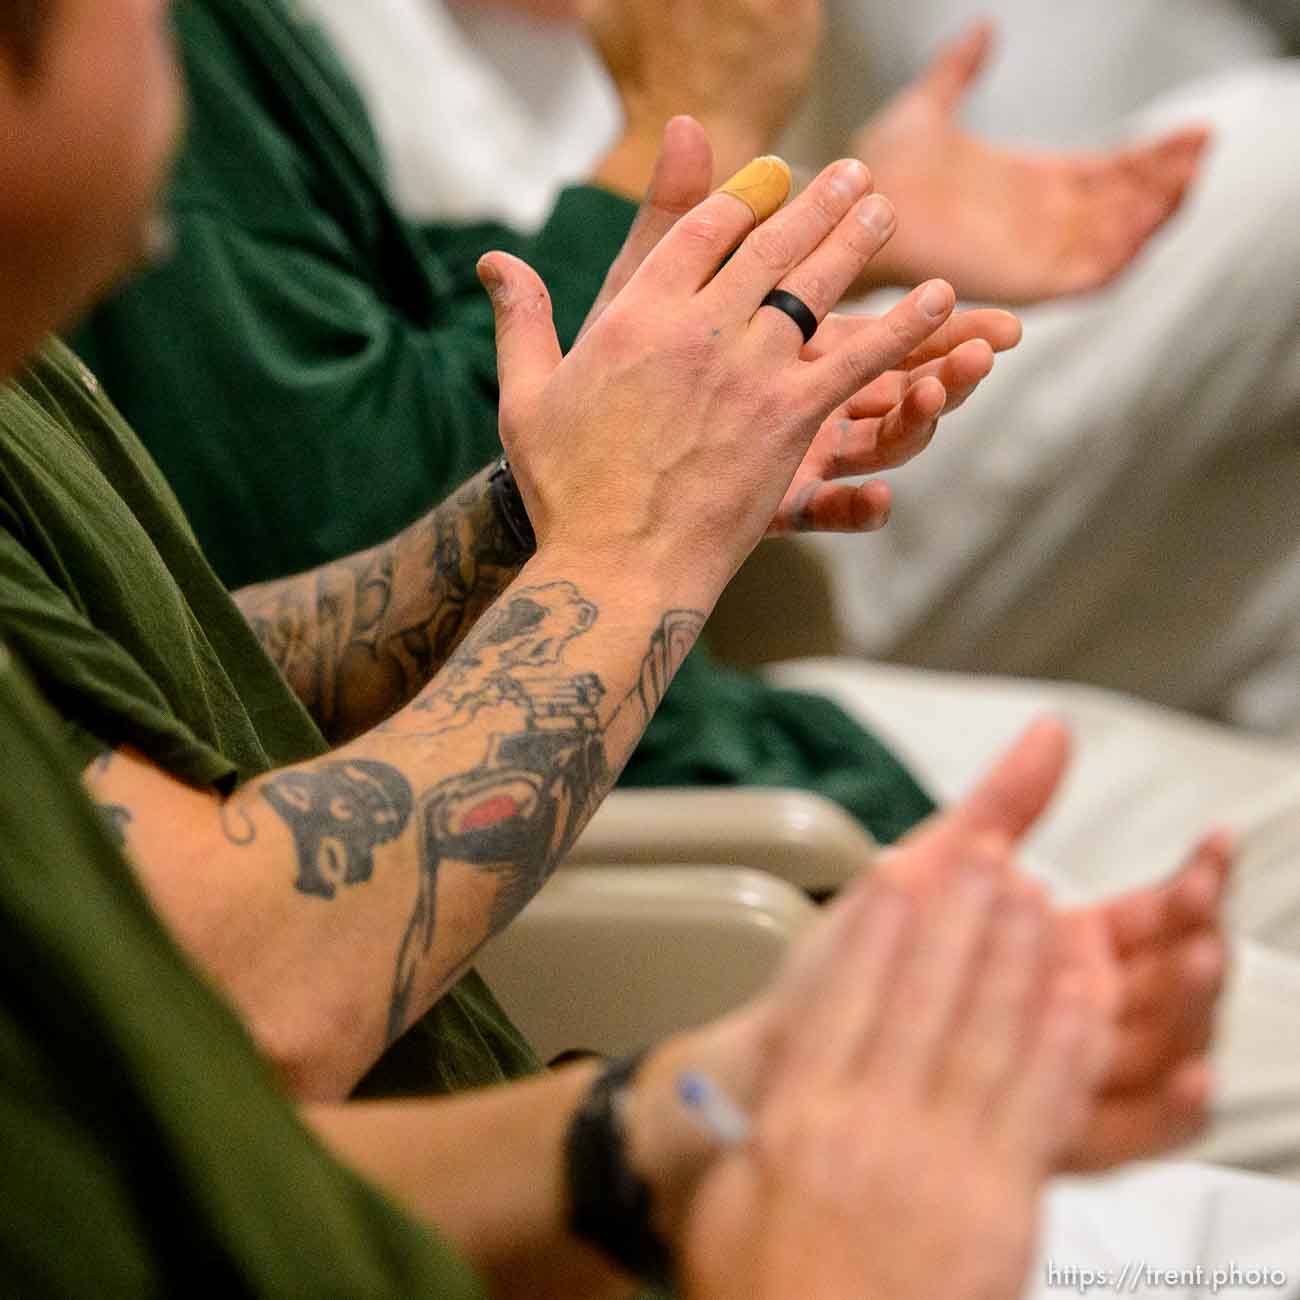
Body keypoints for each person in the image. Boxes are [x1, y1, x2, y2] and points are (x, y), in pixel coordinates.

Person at [67, 0, 1202, 846]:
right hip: (647, 798)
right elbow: (337, 523)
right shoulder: (182, 57)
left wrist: (797, 236)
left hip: (709, 724)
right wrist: (690, 128)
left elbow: (256, 609)